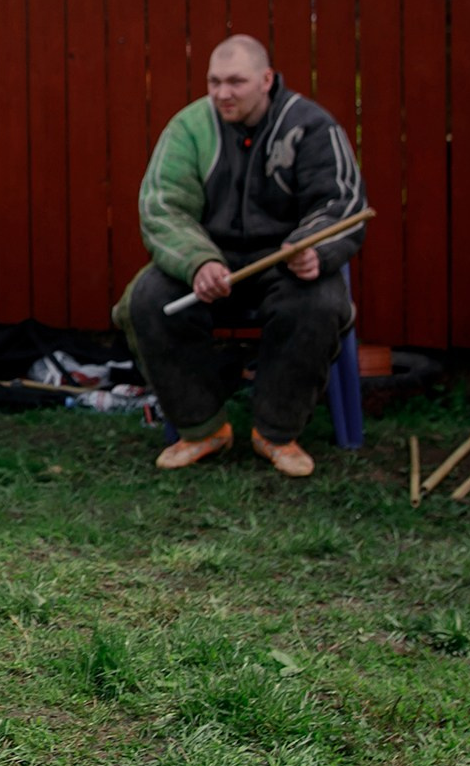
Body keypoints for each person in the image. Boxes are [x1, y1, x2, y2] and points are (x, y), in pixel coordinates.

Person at [119, 34, 366, 477]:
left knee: (320, 303)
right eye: (214, 81)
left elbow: (341, 203)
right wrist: (199, 261)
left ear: (266, 79)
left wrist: (314, 247)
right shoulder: (189, 128)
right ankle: (202, 428)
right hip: (211, 263)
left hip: (285, 264)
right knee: (148, 298)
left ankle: (276, 433)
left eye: (236, 81)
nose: (222, 93)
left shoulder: (311, 126)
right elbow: (162, 208)